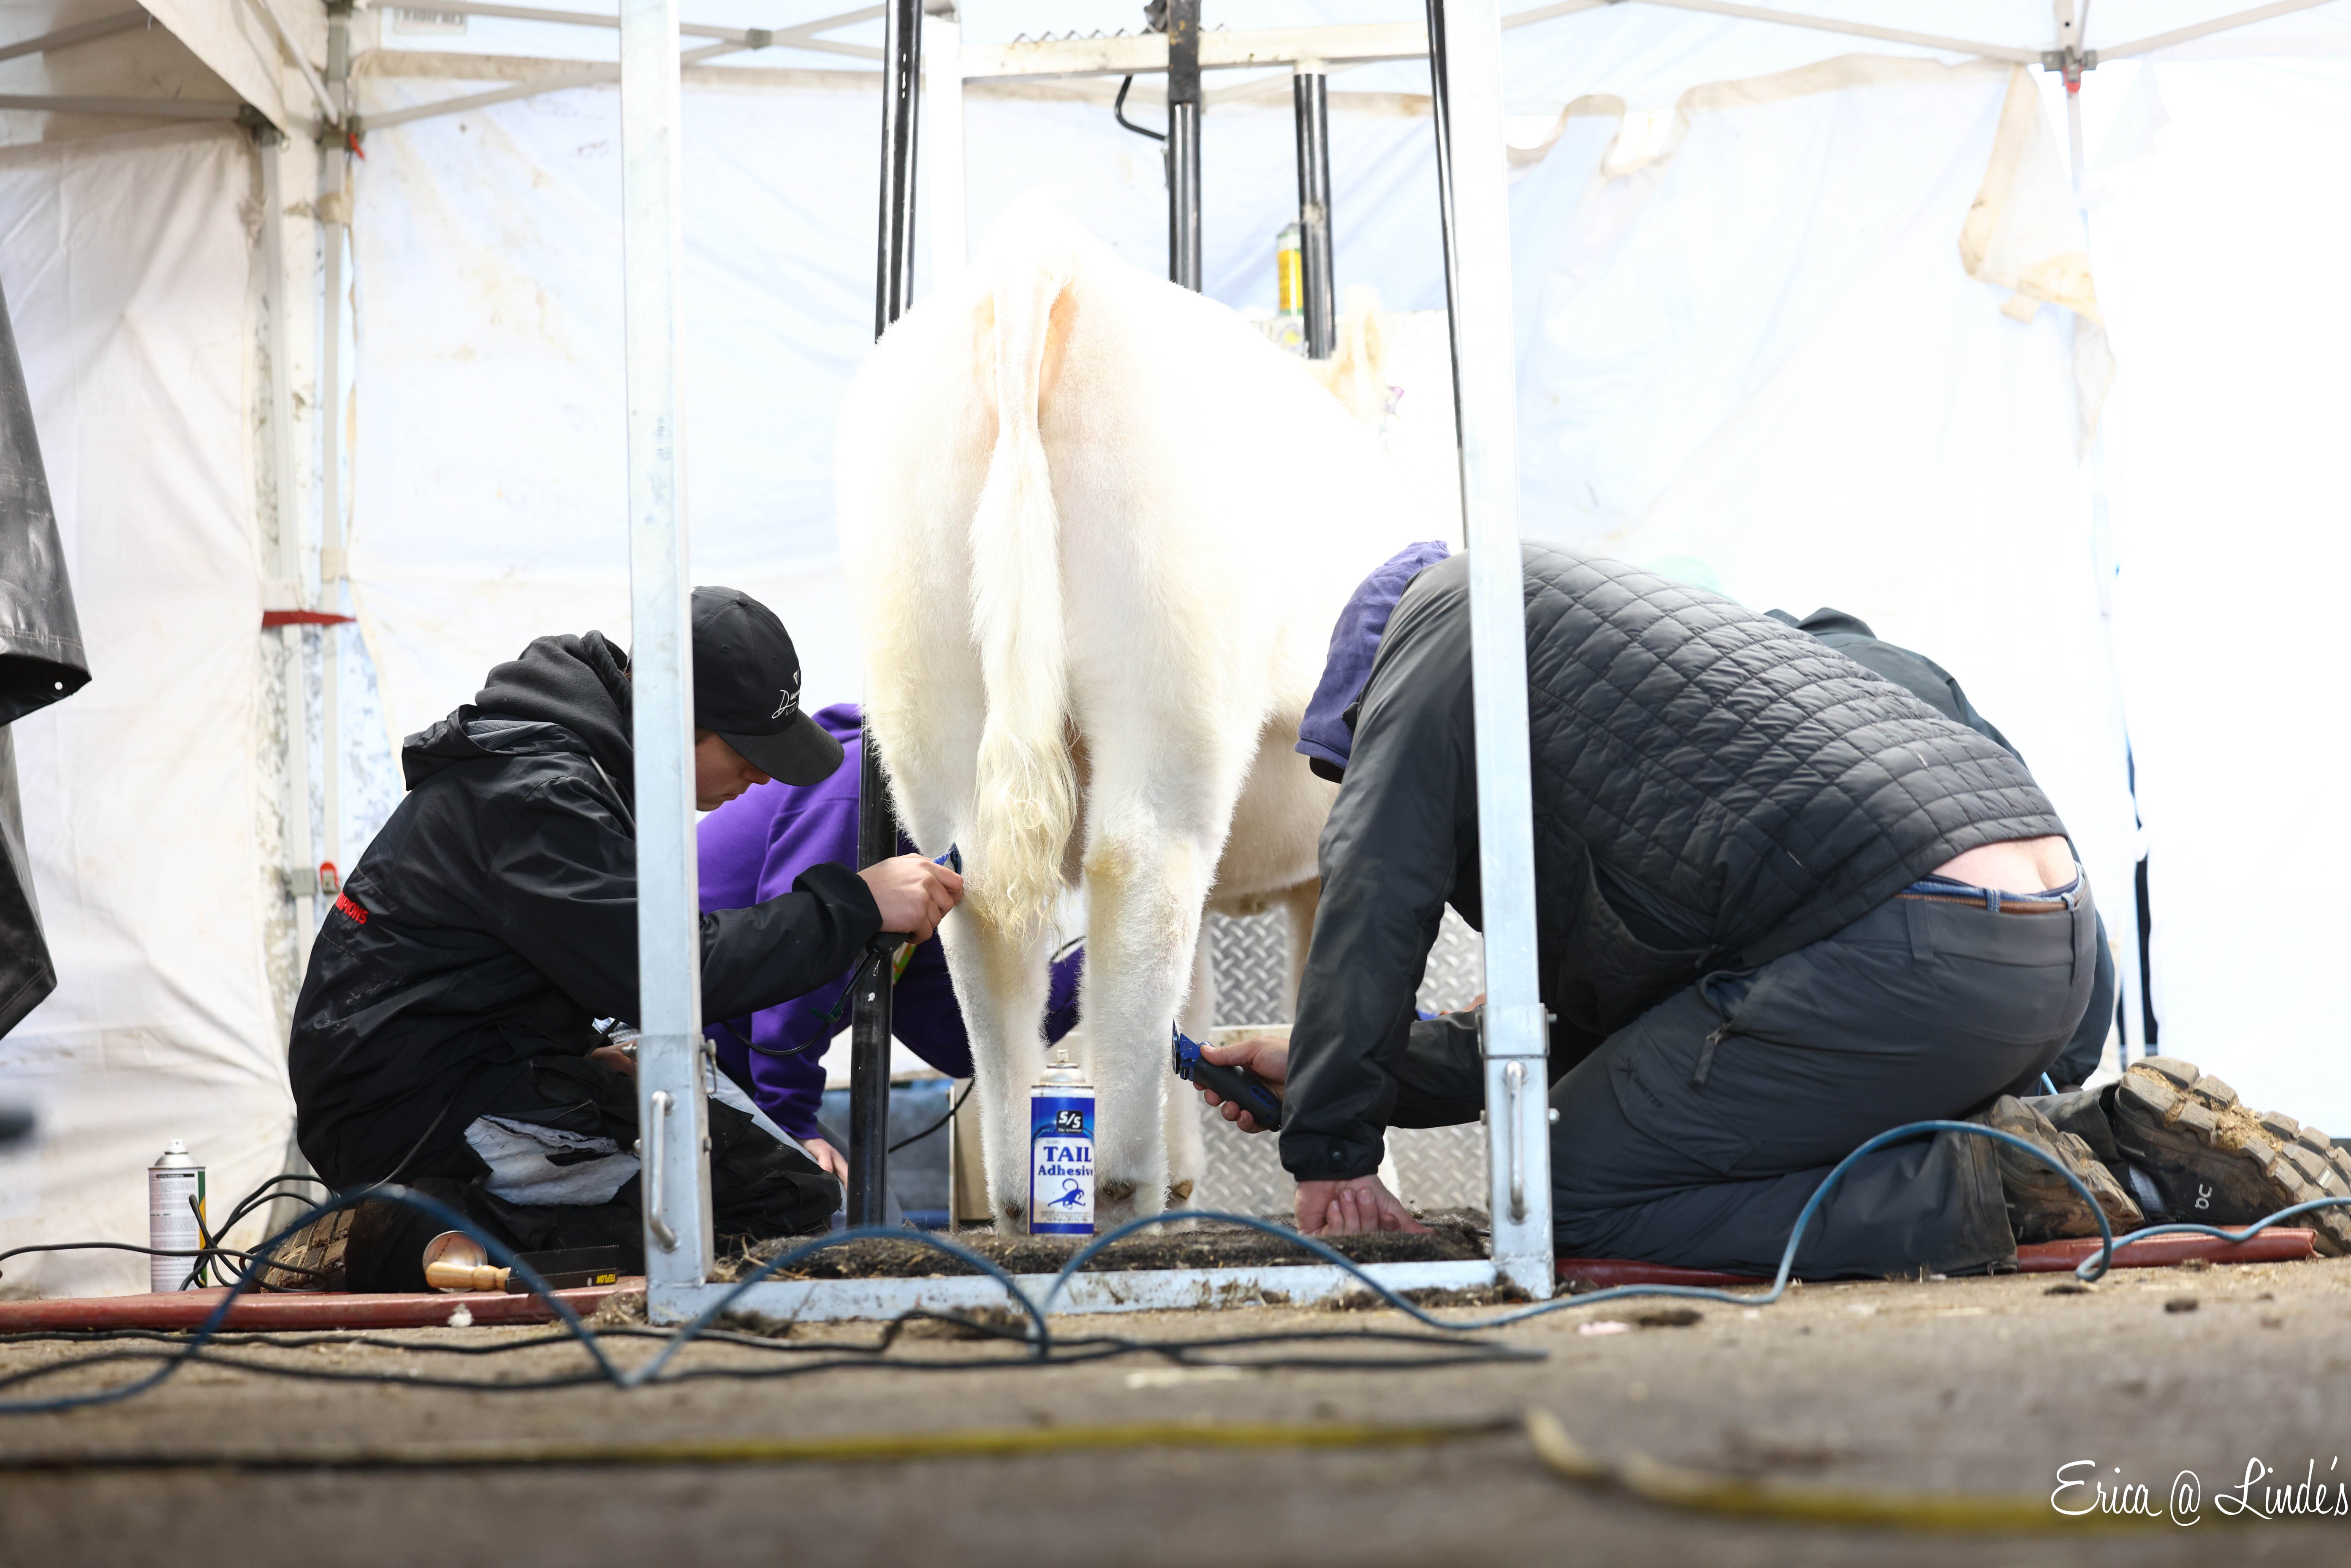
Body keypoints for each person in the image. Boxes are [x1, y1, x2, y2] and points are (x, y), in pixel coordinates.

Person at [1190, 545, 2351, 1272]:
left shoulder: (1447, 621)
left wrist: (1335, 1146)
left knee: (1562, 1181)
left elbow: (1375, 890)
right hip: (2032, 957)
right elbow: (1631, 1054)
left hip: (1908, 948)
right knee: (1653, 1130)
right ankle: (2098, 1147)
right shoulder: (1649, 706)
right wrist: (1350, 1066)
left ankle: (1993, 1183)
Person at [287, 587, 962, 1288]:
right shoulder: (539, 792)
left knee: (783, 1189)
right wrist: (857, 903)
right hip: (409, 1110)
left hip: (466, 1068)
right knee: (763, 1209)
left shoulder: (577, 767)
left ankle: (449, 1228)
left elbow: (510, 963)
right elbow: (677, 970)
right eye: (747, 751)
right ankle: (418, 1235)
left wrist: (573, 1048)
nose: (761, 774)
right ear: (677, 719)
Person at [696, 700, 1083, 1179]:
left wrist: (1105, 963)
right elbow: (794, 956)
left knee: (874, 1225)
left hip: (737, 1075)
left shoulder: (929, 846)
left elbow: (953, 1037)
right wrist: (789, 1120)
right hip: (667, 1048)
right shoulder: (867, 786)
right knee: (833, 1218)